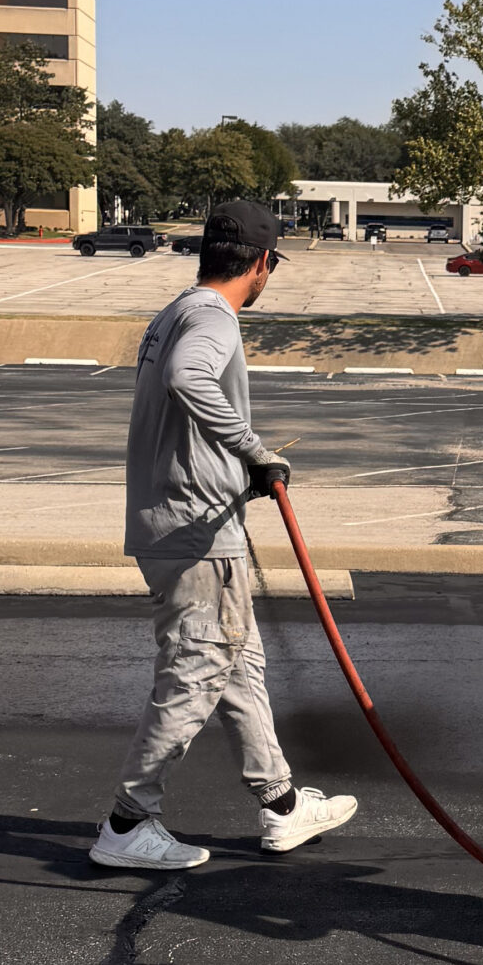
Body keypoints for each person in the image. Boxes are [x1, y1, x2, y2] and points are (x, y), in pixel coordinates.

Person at [89, 198, 358, 872]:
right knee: (195, 675)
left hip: (183, 521)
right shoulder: (213, 318)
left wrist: (234, 473)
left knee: (240, 667)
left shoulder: (176, 310)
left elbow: (178, 414)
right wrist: (253, 449)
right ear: (263, 262)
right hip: (195, 538)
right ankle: (127, 822)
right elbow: (189, 379)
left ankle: (282, 806)